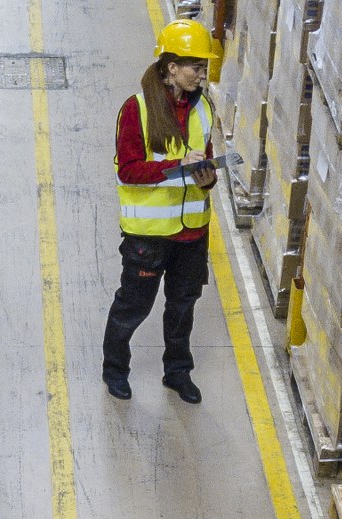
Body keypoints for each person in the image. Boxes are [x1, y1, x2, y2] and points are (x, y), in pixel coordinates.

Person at [102, 18, 221, 405]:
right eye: (195, 67)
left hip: (192, 233)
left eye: (204, 68)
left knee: (183, 309)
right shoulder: (136, 109)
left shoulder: (203, 107)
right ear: (171, 67)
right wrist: (176, 166)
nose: (201, 75)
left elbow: (208, 162)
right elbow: (129, 170)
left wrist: (206, 177)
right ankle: (115, 370)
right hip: (149, 237)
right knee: (132, 308)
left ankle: (177, 373)